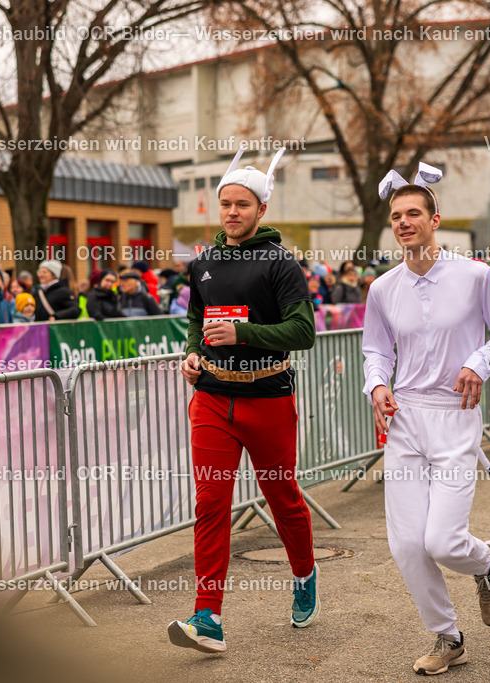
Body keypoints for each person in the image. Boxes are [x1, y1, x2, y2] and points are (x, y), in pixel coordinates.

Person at [364, 164, 490, 676]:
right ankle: (448, 637)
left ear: (436, 219)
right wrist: (377, 385)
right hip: (405, 419)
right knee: (407, 544)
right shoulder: (383, 288)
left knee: (443, 541)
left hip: (457, 417)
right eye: (397, 216)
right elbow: (375, 351)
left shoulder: (475, 275)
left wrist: (478, 362)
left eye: (414, 214)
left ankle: (486, 561)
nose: (404, 223)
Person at [169, 147, 319, 654]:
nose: (232, 212)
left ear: (261, 210)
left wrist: (244, 333)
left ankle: (303, 572)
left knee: (284, 500)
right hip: (211, 398)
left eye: (242, 205)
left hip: (267, 399)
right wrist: (192, 352)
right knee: (211, 502)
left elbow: (304, 331)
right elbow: (196, 319)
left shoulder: (280, 263)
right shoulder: (204, 262)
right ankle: (207, 615)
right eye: (226, 204)